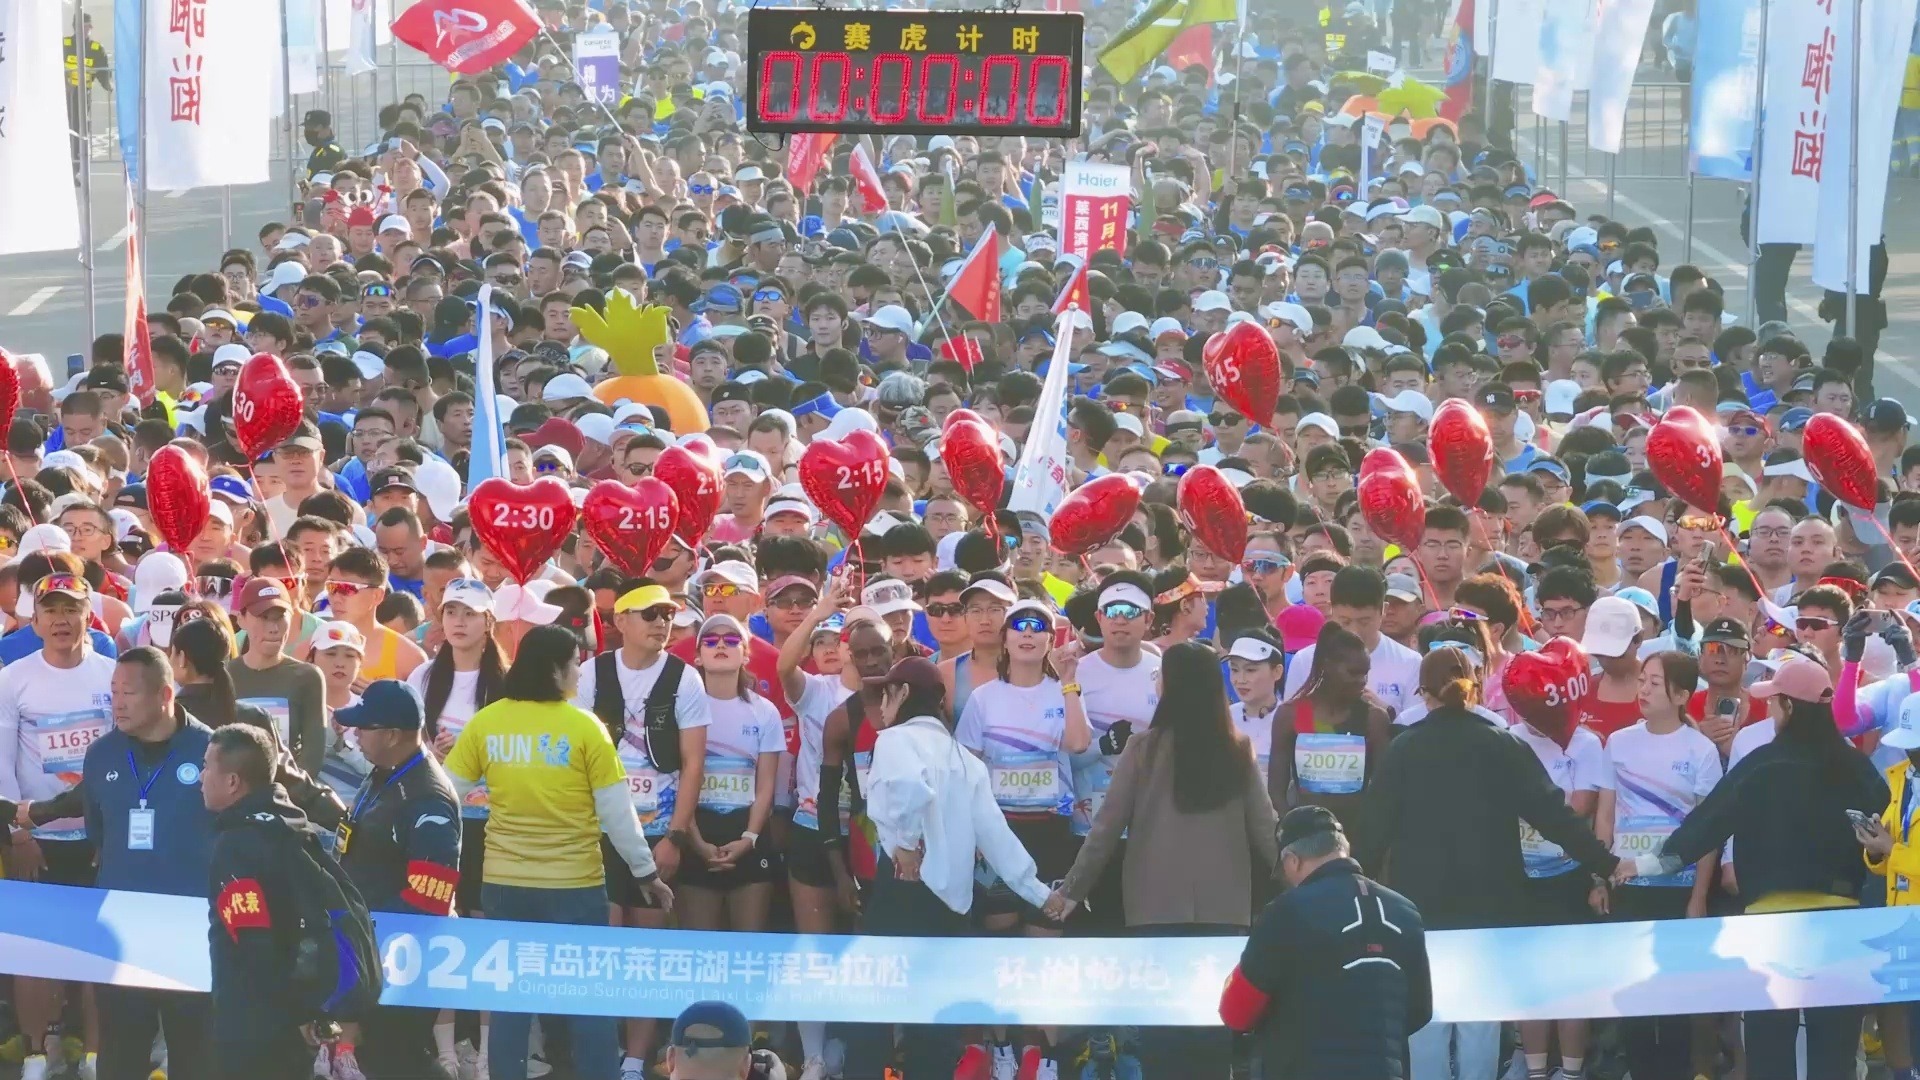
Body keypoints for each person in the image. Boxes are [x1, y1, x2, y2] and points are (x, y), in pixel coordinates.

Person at [1358, 645, 1624, 1080]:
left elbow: (1372, 833)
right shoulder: (1502, 744)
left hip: (1420, 905)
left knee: (1426, 1022)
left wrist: (1353, 885)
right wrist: (1608, 864)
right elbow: (1555, 816)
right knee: (1480, 1023)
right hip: (1490, 906)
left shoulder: (1404, 749)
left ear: (1423, 693)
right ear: (1476, 688)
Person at [1632, 653, 1889, 1080]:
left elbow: (1706, 825)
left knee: (1769, 1054)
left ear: (1789, 706)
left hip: (1768, 924)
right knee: (1834, 1057)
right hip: (1841, 924)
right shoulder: (1855, 766)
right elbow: (1885, 824)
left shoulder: (1761, 763)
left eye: (1773, 702)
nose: (1769, 710)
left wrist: (1645, 863)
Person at [442, 624, 672, 1080]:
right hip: (576, 887)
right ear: (554, 669)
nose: (580, 671)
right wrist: (646, 874)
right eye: (574, 662)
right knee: (587, 1000)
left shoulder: (487, 723)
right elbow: (617, 814)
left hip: (504, 886)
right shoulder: (585, 727)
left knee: (511, 1003)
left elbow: (446, 794)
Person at [1047, 640, 1278, 1078]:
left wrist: (1072, 891)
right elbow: (1267, 830)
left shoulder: (1142, 748)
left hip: (1154, 908)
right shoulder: (1237, 747)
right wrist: (1307, 883)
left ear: (1172, 686)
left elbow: (1105, 829)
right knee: (1214, 1030)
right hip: (1224, 909)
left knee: (1161, 1036)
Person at [863, 656, 1054, 1080]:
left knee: (876, 1007)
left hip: (904, 887)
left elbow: (909, 787)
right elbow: (997, 837)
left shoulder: (894, 739)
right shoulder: (966, 760)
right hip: (951, 904)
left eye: (886, 694)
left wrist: (906, 844)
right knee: (935, 1023)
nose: (881, 705)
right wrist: (1039, 893)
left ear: (903, 694)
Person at [575, 581, 711, 1080]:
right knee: (605, 943)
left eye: (668, 614)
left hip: (658, 829)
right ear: (621, 620)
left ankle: (635, 1059)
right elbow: (577, 755)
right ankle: (601, 1051)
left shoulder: (685, 677)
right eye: (650, 613)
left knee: (646, 950)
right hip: (599, 831)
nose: (661, 623)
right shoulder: (591, 673)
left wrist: (676, 837)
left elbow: (693, 764)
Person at [0, 569, 117, 1080]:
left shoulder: (113, 674)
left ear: (89, 615)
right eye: (51, 610)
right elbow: (1, 760)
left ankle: (94, 1055)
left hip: (96, 842)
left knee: (96, 951)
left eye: (72, 609)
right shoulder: (13, 678)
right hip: (36, 840)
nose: (62, 620)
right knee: (34, 950)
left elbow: (123, 758)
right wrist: (17, 832)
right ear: (35, 620)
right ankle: (34, 1053)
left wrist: (109, 833)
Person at [1220, 805, 1431, 1080]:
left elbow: (1237, 1011)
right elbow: (1420, 1010)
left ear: (1292, 861)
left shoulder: (1285, 912)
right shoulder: (1406, 913)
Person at [333, 680, 462, 1080]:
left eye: (364, 727)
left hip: (399, 963)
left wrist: (361, 934)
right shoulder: (384, 773)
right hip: (369, 956)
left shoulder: (428, 797)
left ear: (391, 735)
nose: (355, 733)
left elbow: (428, 901)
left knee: (397, 1060)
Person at [201, 723, 321, 1079]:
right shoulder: (295, 825)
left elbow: (254, 940)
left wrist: (283, 1013)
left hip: (253, 1024)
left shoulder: (236, 845)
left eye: (207, 767)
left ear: (232, 782)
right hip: (300, 1011)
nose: (201, 778)